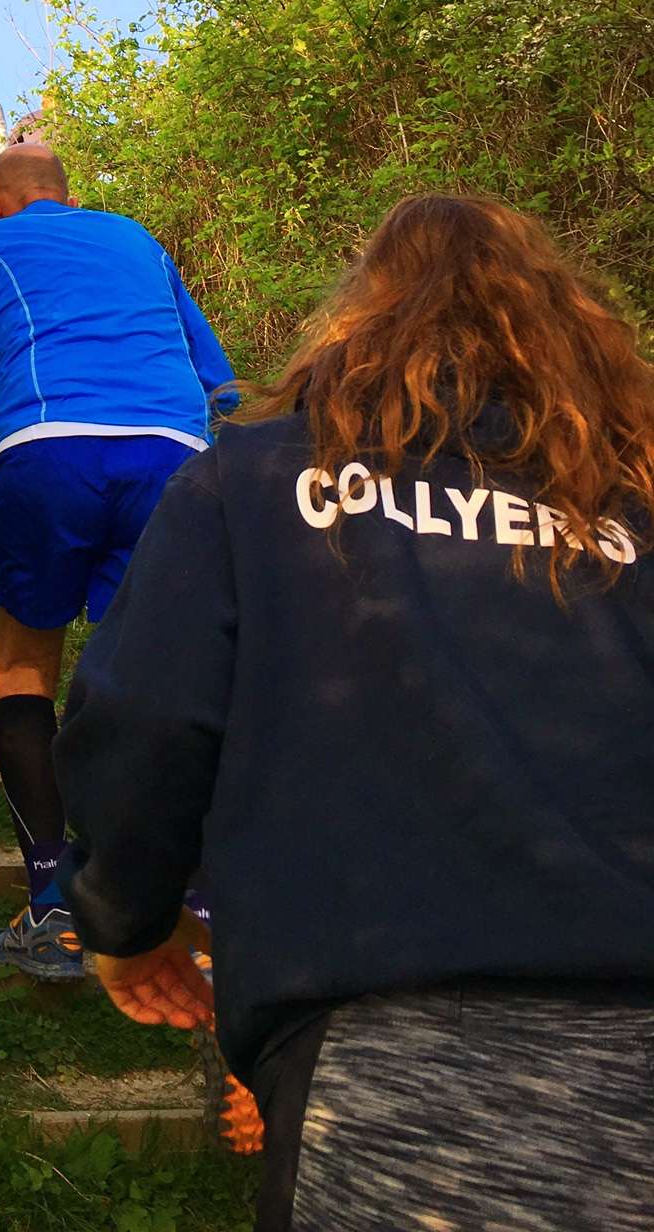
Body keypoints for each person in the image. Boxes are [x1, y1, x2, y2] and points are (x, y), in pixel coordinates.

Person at [55, 194, 654, 1232]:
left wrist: (125, 921)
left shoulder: (256, 481)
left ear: (360, 321)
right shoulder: (633, 514)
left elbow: (147, 717)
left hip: (387, 1081)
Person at [0, 144, 234, 978]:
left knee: (24, 669)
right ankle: (191, 907)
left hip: (45, 448)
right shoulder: (140, 242)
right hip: (171, 454)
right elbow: (218, 381)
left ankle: (53, 912)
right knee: (154, 676)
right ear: (68, 198)